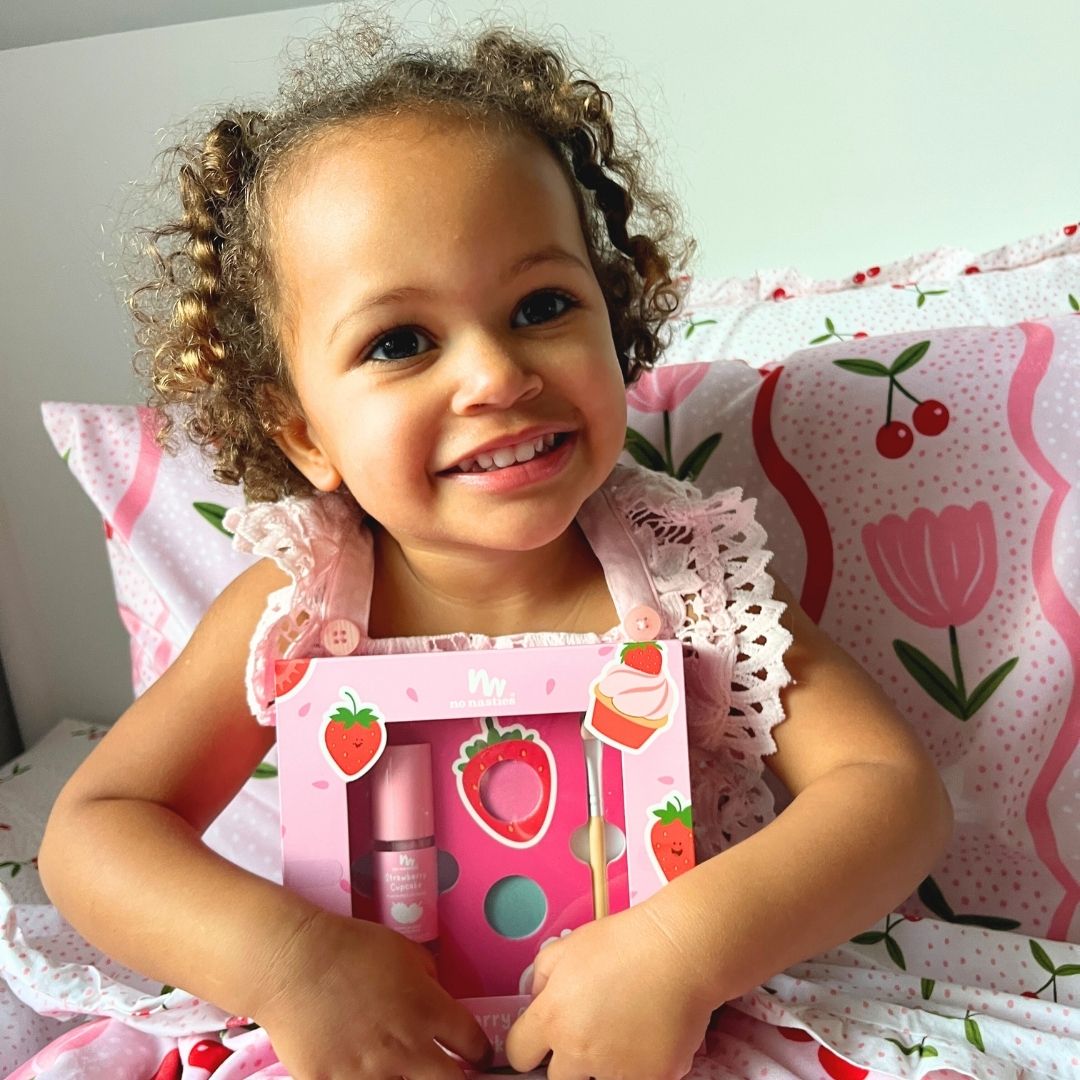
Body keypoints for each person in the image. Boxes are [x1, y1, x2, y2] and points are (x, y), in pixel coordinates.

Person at [25, 6, 954, 1078]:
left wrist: (680, 951)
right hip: (370, 1044)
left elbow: (890, 793)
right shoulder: (304, 603)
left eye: (542, 304)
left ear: (612, 318)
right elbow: (96, 829)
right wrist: (289, 965)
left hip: (681, 1031)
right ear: (303, 433)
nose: (497, 376)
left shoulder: (688, 576)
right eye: (400, 341)